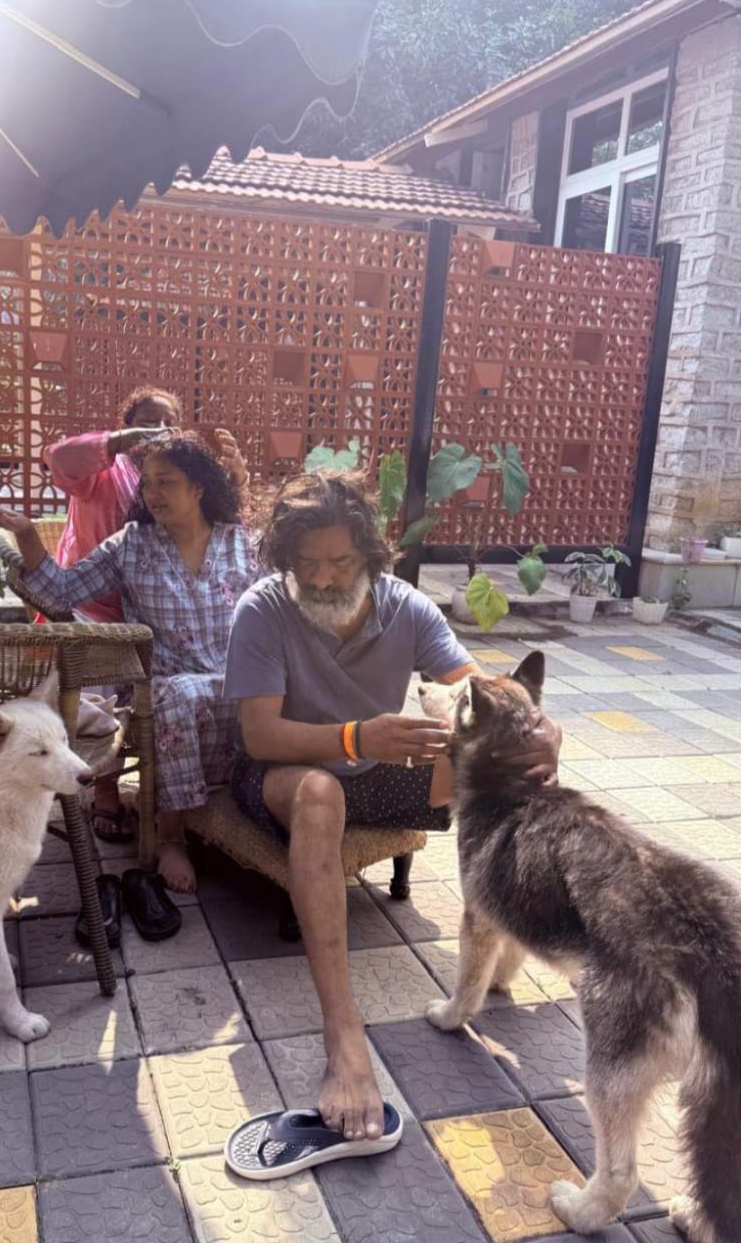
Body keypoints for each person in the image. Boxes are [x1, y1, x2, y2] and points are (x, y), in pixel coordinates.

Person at [223, 469, 562, 1146]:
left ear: (371, 556)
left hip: (373, 774)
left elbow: (479, 689)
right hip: (282, 778)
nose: (322, 579)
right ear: (284, 558)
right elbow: (259, 736)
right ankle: (344, 1034)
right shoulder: (262, 610)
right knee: (321, 794)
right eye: (306, 563)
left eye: (341, 562)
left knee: (510, 752)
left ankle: (513, 929)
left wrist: (540, 728)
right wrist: (355, 737)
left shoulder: (407, 609)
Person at [0, 434, 261, 897]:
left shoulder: (242, 543)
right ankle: (171, 837)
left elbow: (278, 609)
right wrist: (27, 536)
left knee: (281, 692)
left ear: (199, 488)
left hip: (239, 676)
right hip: (163, 680)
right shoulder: (131, 545)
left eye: (166, 482)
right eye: (147, 483)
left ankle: (252, 811)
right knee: (179, 698)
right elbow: (61, 592)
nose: (152, 493)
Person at [44, 386, 249, 842]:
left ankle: (230, 800)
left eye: (167, 422)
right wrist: (122, 442)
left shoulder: (190, 484)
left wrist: (237, 479)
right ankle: (106, 792)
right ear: (127, 425)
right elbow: (57, 459)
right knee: (108, 677)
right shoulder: (105, 471)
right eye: (147, 421)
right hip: (97, 610)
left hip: (164, 609)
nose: (158, 429)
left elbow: (227, 531)